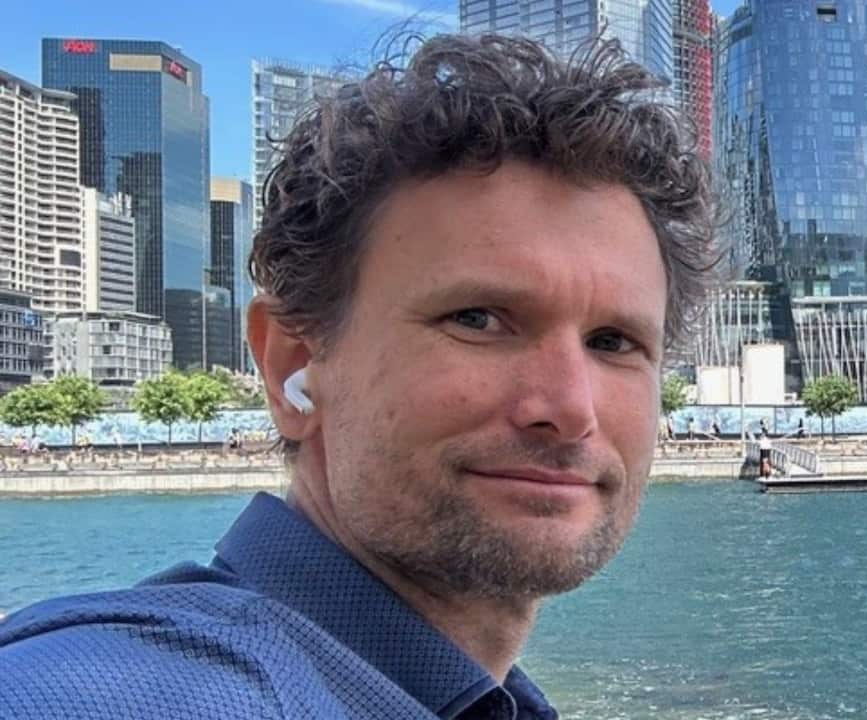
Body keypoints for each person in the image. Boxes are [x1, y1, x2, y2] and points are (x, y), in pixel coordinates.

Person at [0, 32, 718, 719]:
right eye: (477, 318)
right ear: (292, 365)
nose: (569, 406)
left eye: (613, 340)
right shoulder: (111, 693)